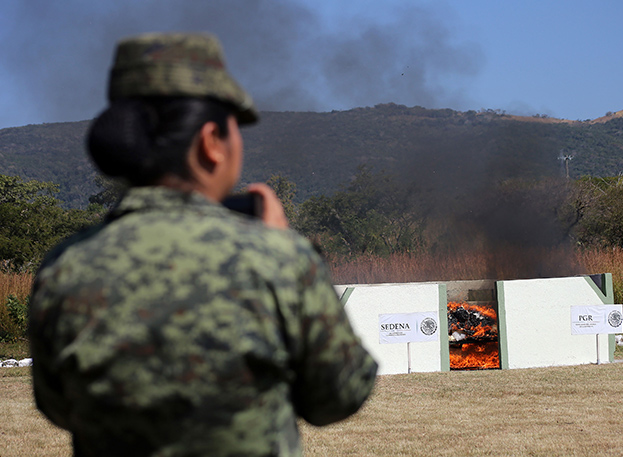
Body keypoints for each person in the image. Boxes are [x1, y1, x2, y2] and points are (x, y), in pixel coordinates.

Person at [28, 32, 377, 457]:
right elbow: (340, 394)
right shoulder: (276, 259)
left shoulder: (63, 267)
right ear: (211, 142)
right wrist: (291, 252)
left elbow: (57, 405)